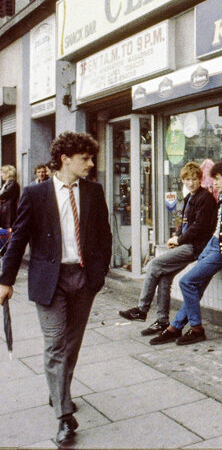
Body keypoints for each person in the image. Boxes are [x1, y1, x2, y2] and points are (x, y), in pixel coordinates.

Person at [0, 132, 111, 447]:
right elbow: (18, 238)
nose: (91, 164)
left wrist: (99, 274)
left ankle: (59, 390)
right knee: (55, 346)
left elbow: (104, 235)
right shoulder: (36, 194)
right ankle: (64, 417)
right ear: (65, 158)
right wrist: (5, 281)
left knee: (71, 345)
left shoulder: (93, 191)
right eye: (85, 158)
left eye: (91, 158)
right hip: (50, 279)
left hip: (83, 278)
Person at [149, 160, 222, 346]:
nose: (215, 183)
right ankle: (175, 327)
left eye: (218, 179)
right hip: (212, 244)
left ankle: (196, 329)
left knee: (186, 282)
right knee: (196, 287)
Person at [118, 162, 217, 336]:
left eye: (194, 179)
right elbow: (185, 223)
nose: (191, 183)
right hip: (186, 243)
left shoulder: (206, 198)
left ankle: (141, 309)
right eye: (187, 179)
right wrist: (176, 236)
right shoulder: (190, 197)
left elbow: (199, 227)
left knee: (155, 265)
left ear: (200, 179)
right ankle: (162, 321)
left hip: (196, 247)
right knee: (164, 275)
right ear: (182, 181)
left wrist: (179, 239)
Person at [0, 164, 20, 229]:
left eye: (2, 173)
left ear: (7, 174)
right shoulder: (7, 184)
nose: (1, 175)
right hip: (5, 211)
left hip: (9, 213)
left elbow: (3, 195)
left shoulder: (13, 184)